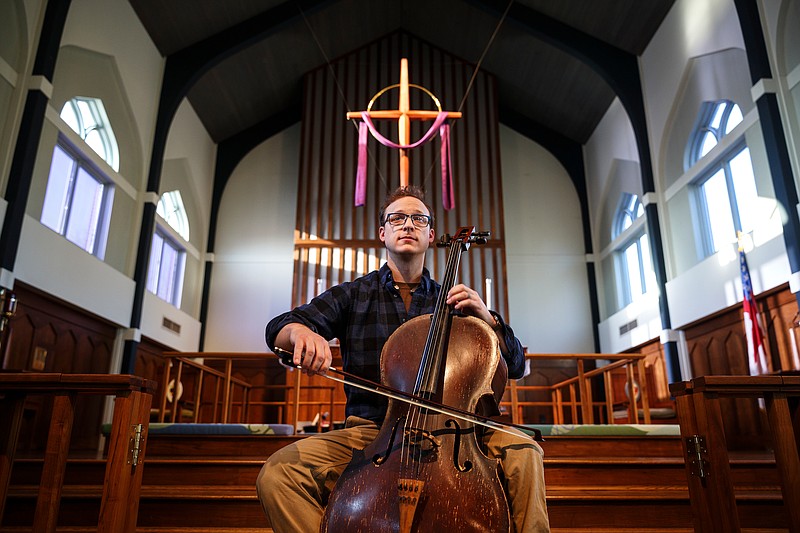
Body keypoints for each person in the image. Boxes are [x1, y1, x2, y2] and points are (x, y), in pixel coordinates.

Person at [256, 186, 550, 532]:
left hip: (453, 435)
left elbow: (514, 366)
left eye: (418, 219)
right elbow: (279, 327)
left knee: (525, 450)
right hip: (370, 433)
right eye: (397, 218)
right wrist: (300, 333)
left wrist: (490, 321)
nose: (407, 225)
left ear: (430, 234)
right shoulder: (353, 295)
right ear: (383, 232)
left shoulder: (455, 303)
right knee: (278, 474)